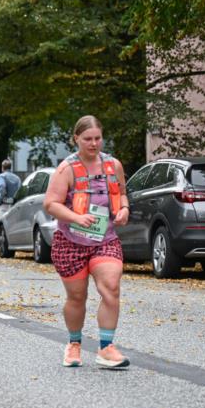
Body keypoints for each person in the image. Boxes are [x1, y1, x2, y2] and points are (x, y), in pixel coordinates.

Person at [42, 115, 130, 370]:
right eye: (88, 139)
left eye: (97, 138)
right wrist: (77, 218)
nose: (93, 144)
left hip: (106, 239)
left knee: (111, 287)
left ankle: (106, 347)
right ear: (76, 139)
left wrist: (123, 209)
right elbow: (51, 204)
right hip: (70, 242)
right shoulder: (66, 169)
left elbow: (122, 193)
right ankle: (74, 343)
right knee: (77, 297)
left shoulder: (114, 165)